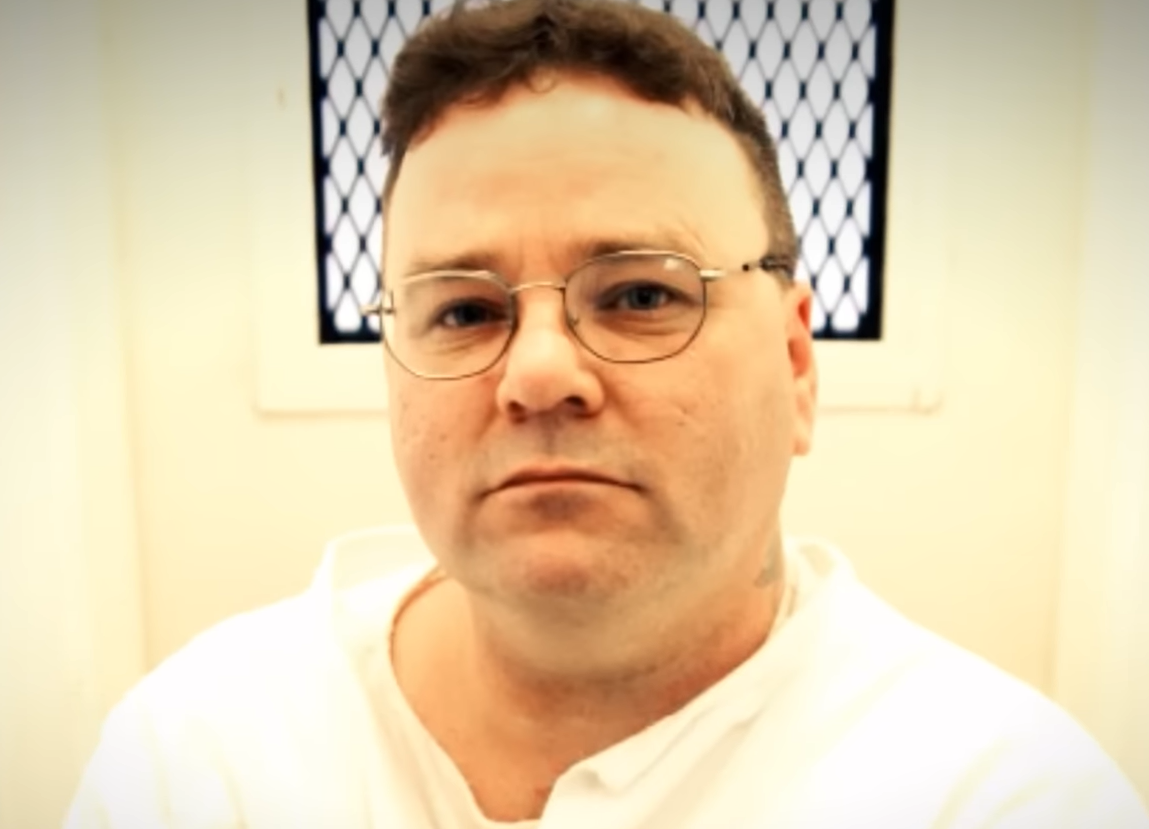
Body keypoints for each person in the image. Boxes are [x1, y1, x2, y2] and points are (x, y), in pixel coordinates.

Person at [67, 0, 1148, 826]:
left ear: (795, 363)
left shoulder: (1004, 793)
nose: (539, 374)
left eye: (639, 295)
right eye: (464, 310)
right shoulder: (200, 761)